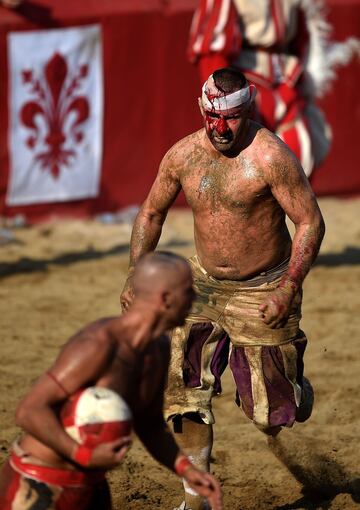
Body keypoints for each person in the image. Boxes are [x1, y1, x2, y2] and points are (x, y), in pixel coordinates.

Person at [121, 68, 325, 510]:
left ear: (247, 110)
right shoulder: (183, 155)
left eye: (231, 119)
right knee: (182, 388)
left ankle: (294, 388)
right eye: (214, 117)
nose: (221, 129)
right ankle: (195, 498)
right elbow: (151, 213)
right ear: (202, 109)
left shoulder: (270, 157)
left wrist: (289, 287)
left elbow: (309, 220)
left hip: (265, 287)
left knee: (271, 414)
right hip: (202, 285)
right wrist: (137, 273)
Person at [0, 252, 222, 510]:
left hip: (91, 484)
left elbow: (149, 425)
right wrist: (83, 455)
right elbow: (29, 411)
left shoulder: (159, 348)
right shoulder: (99, 344)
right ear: (165, 299)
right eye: (188, 292)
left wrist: (188, 471)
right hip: (38, 483)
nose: (194, 299)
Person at [187, 0, 335, 178]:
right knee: (245, 165)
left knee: (299, 155)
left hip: (287, 79)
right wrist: (223, 97)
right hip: (245, 82)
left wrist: (302, 78)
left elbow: (302, 34)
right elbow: (211, 48)